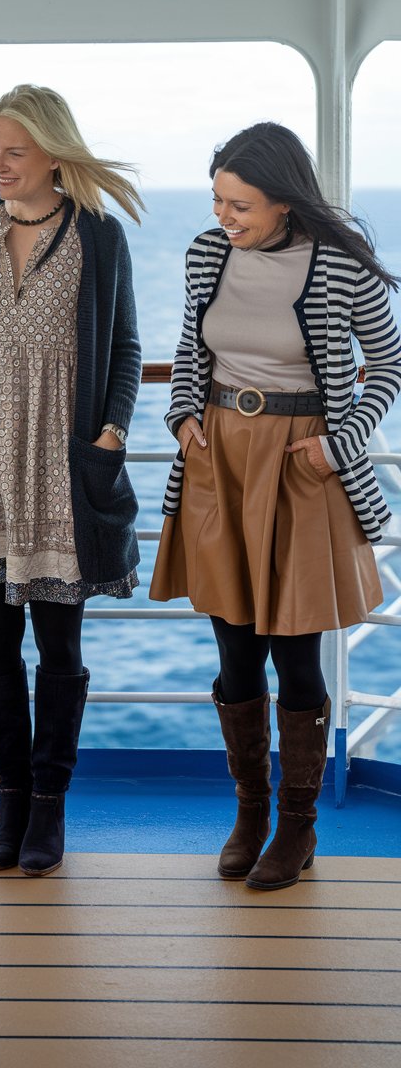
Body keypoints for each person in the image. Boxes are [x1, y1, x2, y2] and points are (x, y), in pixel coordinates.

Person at [150, 121, 401, 891]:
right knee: (233, 649)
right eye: (219, 201)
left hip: (303, 464)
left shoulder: (340, 268)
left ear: (286, 201)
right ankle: (250, 812)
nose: (226, 218)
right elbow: (195, 347)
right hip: (219, 455)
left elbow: (387, 366)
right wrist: (184, 415)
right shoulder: (206, 253)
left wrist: (340, 443)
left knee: (295, 651)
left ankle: (297, 826)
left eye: (242, 206)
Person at [0, 83, 143, 876]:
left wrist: (113, 431)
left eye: (13, 150)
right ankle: (10, 798)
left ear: (53, 153)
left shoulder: (99, 238)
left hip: (60, 464)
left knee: (60, 645)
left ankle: (50, 805)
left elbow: (124, 347)